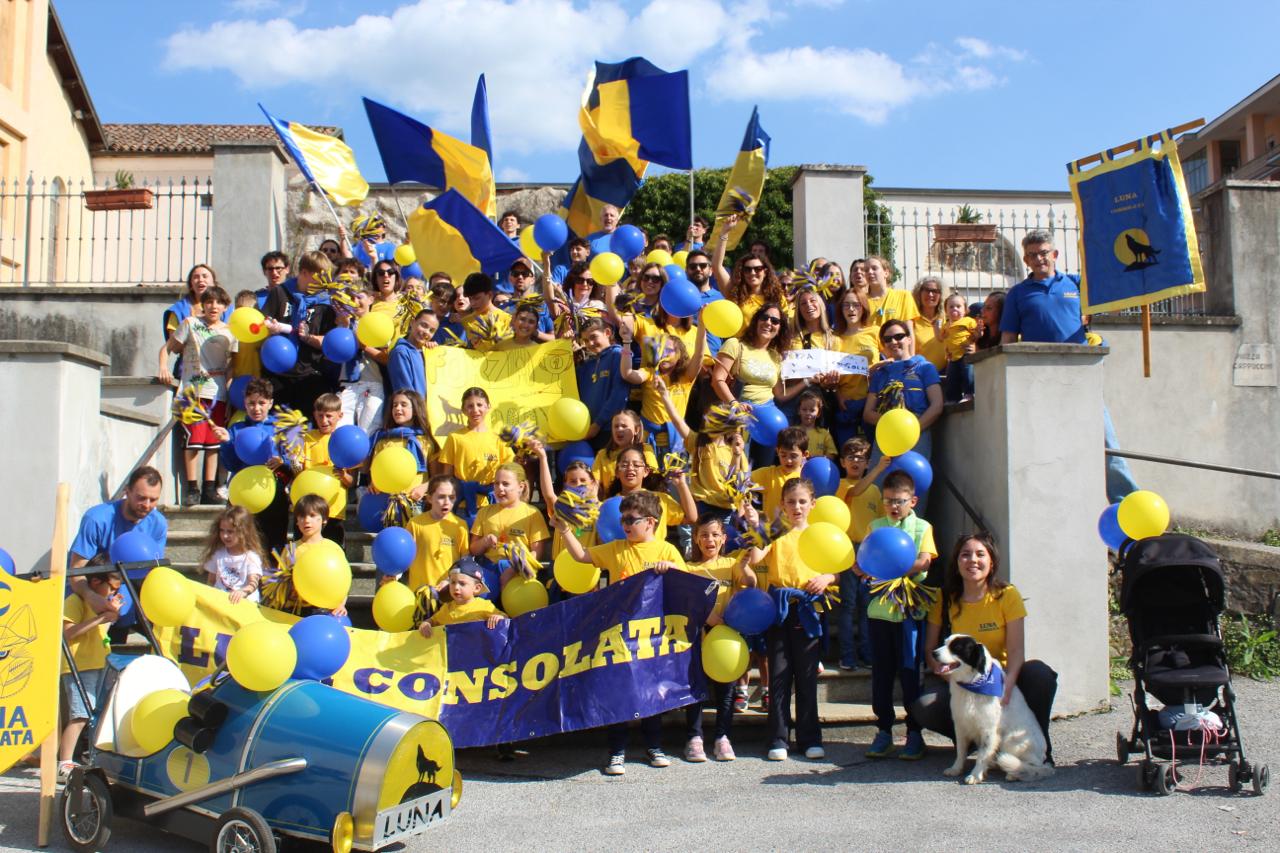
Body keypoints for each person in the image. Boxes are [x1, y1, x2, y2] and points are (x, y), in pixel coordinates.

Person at [553, 490, 686, 775]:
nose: (624, 524)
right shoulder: (616, 549)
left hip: (652, 635)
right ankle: (617, 752)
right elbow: (581, 555)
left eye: (630, 519)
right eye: (622, 519)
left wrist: (672, 567)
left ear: (650, 522)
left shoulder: (666, 550)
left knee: (652, 693)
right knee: (618, 692)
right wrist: (564, 530)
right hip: (620, 635)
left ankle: (654, 746)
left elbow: (686, 581)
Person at [1001, 230, 1139, 503]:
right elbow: (1007, 339)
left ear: (1055, 254)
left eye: (1043, 252)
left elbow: (1114, 302)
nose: (1039, 259)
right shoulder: (1017, 294)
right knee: (1045, 447)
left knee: (1106, 442)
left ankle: (1127, 502)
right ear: (1026, 260)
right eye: (1032, 255)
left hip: (1081, 377)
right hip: (1038, 380)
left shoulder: (1076, 284)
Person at [912, 531, 1058, 763]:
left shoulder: (1007, 595)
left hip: (1001, 679)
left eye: (980, 554)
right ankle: (976, 742)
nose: (973, 560)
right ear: (957, 561)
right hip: (961, 680)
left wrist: (1006, 688)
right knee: (925, 706)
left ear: (992, 562)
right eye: (965, 554)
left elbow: (1016, 651)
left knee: (1040, 674)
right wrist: (954, 680)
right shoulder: (944, 598)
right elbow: (931, 650)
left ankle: (1037, 748)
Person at [747, 478, 839, 761]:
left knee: (807, 676)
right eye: (790, 502)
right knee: (779, 674)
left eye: (802, 501)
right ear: (782, 505)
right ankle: (778, 738)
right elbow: (755, 558)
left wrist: (827, 578)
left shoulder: (820, 533)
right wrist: (758, 528)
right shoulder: (776, 532)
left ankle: (810, 737)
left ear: (812, 504)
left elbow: (836, 568)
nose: (796, 507)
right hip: (779, 608)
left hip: (808, 609)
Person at [856, 470, 936, 761]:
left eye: (899, 501)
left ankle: (914, 732)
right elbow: (861, 564)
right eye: (888, 500)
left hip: (910, 613)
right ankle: (884, 731)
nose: (893, 506)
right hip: (880, 613)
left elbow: (924, 561)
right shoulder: (875, 527)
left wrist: (891, 569)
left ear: (912, 501)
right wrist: (867, 569)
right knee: (882, 673)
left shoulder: (923, 527)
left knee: (911, 672)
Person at [682, 515, 755, 762]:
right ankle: (694, 738)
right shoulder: (688, 568)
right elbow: (683, 601)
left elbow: (750, 583)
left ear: (724, 538)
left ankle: (723, 737)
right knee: (696, 688)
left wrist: (745, 567)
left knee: (726, 689)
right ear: (696, 538)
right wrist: (707, 616)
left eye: (714, 534)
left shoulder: (731, 563)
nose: (709, 539)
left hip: (727, 637)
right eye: (703, 534)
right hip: (696, 636)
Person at [68, 467, 167, 643]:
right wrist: (91, 597)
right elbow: (76, 570)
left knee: (128, 607)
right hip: (95, 588)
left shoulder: (157, 523)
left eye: (153, 500)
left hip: (129, 587)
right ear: (127, 492)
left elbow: (155, 570)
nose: (147, 505)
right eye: (141, 498)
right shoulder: (97, 518)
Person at [159, 284, 235, 506]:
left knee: (213, 442)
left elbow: (232, 366)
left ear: (225, 307)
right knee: (194, 439)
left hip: (218, 392)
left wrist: (230, 394)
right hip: (192, 391)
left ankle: (209, 488)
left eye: (218, 303)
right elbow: (167, 348)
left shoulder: (230, 332)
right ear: (203, 304)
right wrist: (163, 367)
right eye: (209, 302)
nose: (213, 306)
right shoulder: (190, 323)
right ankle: (192, 487)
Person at [863, 318, 944, 510]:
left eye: (899, 336)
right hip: (886, 437)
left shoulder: (925, 367)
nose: (893, 342)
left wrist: (911, 430)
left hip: (917, 435)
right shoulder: (881, 374)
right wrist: (893, 425)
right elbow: (868, 413)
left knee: (913, 490)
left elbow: (937, 405)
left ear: (909, 339)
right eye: (887, 339)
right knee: (878, 490)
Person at [59, 562, 122, 780]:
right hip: (79, 665)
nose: (113, 593)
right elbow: (68, 633)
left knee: (94, 714)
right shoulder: (75, 601)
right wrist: (100, 618)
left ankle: (92, 756)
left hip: (98, 663)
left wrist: (109, 616)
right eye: (111, 588)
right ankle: (65, 761)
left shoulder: (100, 604)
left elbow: (100, 631)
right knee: (80, 714)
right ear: (96, 582)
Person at [215, 378, 291, 558]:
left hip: (273, 494)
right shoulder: (236, 429)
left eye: (261, 403)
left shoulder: (280, 428)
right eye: (251, 403)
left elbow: (294, 460)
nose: (256, 408)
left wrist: (282, 460)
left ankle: (272, 576)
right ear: (245, 403)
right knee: (240, 546)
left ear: (270, 403)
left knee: (273, 546)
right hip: (242, 495)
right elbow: (231, 464)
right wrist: (226, 443)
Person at [711, 303, 790, 469]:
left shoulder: (776, 357)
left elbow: (780, 394)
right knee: (733, 470)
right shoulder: (735, 344)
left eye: (775, 321)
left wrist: (808, 381)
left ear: (780, 329)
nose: (768, 323)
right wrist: (734, 403)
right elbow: (717, 379)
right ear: (756, 321)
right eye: (764, 317)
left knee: (760, 471)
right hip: (737, 416)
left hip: (768, 422)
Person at [260, 250, 337, 413]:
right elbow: (263, 323)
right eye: (319, 277)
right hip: (278, 373)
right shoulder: (280, 292)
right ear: (304, 273)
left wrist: (309, 337)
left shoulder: (325, 302)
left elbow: (329, 341)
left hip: (310, 375)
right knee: (279, 424)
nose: (324, 282)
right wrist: (271, 329)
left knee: (306, 425)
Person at [835, 438, 889, 670]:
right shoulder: (840, 484)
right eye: (851, 457)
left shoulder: (876, 490)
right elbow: (855, 492)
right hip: (847, 549)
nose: (856, 461)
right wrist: (878, 469)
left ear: (867, 463)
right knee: (848, 605)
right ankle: (847, 655)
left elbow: (881, 522)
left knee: (867, 606)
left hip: (869, 552)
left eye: (861, 458)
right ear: (842, 462)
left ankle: (867, 653)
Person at [470, 463, 550, 597]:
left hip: (519, 571)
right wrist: (485, 542)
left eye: (505, 484)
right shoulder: (484, 512)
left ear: (521, 487)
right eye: (496, 483)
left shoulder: (532, 513)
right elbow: (473, 550)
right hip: (489, 569)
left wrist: (514, 569)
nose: (500, 488)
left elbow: (537, 553)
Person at [261, 494, 348, 618]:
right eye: (302, 516)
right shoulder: (291, 549)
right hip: (295, 608)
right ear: (297, 521)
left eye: (312, 515)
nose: (306, 520)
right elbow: (280, 581)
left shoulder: (333, 549)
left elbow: (342, 580)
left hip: (323, 608)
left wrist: (340, 603)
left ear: (324, 519)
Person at [435, 387, 513, 523]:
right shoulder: (455, 438)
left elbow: (509, 471)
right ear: (463, 410)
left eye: (479, 405)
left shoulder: (499, 439)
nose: (475, 410)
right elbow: (447, 477)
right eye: (470, 406)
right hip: (462, 505)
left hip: (492, 504)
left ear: (488, 406)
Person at [398, 475, 470, 596]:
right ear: (429, 498)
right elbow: (404, 555)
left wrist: (450, 580)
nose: (446, 502)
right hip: (419, 593)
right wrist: (395, 574)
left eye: (451, 497)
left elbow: (464, 560)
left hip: (447, 593)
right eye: (441, 497)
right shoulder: (415, 523)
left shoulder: (460, 525)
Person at [300, 393, 353, 546]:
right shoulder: (306, 438)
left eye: (329, 416)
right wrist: (295, 465)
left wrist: (343, 475)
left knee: (334, 549)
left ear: (340, 415)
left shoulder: (345, 440)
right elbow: (299, 473)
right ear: (314, 415)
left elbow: (351, 481)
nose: (324, 421)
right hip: (308, 510)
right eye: (320, 416)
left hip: (333, 510)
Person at [334, 288, 388, 434]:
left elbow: (386, 359)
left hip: (373, 384)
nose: (355, 302)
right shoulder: (342, 323)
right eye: (351, 298)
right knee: (340, 430)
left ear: (371, 299)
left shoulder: (378, 324)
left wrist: (364, 346)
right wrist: (345, 327)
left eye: (359, 297)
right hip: (347, 384)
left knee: (368, 431)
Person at [369, 390, 433, 506]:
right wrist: (374, 484)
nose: (398, 408)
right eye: (395, 405)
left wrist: (424, 487)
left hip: (416, 503)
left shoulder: (425, 441)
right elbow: (377, 471)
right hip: (386, 503)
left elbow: (438, 476)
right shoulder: (383, 441)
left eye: (403, 405)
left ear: (415, 410)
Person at [832, 289, 879, 447]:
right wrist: (838, 396)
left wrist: (877, 368)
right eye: (846, 305)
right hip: (847, 404)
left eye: (856, 305)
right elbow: (831, 372)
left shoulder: (875, 332)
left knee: (874, 451)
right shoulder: (834, 338)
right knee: (849, 452)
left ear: (863, 307)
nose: (851, 309)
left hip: (872, 402)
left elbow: (890, 359)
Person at [574, 319, 631, 447]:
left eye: (593, 337)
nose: (590, 343)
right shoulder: (587, 364)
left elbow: (619, 394)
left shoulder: (619, 355)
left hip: (609, 430)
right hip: (587, 430)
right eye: (586, 340)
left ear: (607, 333)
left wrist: (598, 424)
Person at [419, 556, 508, 636]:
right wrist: (426, 624)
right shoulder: (447, 608)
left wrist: (499, 618)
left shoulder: (484, 606)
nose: (456, 587)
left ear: (476, 588)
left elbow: (505, 619)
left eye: (462, 583)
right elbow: (433, 620)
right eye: (453, 582)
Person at [202, 505, 265, 603]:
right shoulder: (218, 554)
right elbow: (211, 581)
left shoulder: (251, 558)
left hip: (244, 604)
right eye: (222, 530)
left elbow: (253, 583)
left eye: (230, 531)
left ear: (244, 532)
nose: (225, 535)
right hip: (221, 602)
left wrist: (242, 592)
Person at [590, 411, 659, 498]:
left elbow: (654, 478)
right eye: (616, 426)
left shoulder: (646, 449)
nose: (619, 429)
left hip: (641, 501)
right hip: (611, 502)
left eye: (624, 426)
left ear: (636, 430)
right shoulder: (602, 454)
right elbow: (594, 484)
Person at [752, 426, 808, 522]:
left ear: (805, 454)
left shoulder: (808, 476)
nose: (788, 460)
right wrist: (737, 455)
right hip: (772, 530)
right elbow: (741, 480)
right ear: (777, 451)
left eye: (793, 456)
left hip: (798, 530)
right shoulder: (769, 474)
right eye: (783, 455)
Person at [388, 308, 436, 398]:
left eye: (432, 330)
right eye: (424, 325)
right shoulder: (401, 352)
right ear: (412, 323)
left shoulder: (426, 353)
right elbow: (405, 392)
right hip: (414, 406)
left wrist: (436, 352)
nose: (426, 332)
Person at [460, 273, 513, 351]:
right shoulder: (465, 322)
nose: (473, 303)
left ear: (489, 295)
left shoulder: (507, 319)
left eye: (477, 298)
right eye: (470, 299)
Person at [941, 292, 978, 403]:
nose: (954, 309)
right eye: (951, 307)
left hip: (965, 353)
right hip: (952, 356)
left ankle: (969, 394)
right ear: (946, 311)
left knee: (968, 374)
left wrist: (978, 335)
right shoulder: (946, 325)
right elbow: (943, 338)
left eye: (958, 306)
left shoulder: (968, 321)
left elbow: (976, 334)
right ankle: (953, 398)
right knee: (951, 377)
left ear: (965, 310)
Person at [864, 255, 917, 331]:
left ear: (886, 273)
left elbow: (909, 330)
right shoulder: (861, 300)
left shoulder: (904, 296)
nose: (870, 272)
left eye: (874, 268)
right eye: (866, 270)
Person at [911, 277, 947, 371]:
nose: (930, 294)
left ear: (940, 295)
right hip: (920, 373)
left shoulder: (947, 319)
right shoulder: (912, 320)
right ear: (919, 293)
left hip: (947, 373)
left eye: (934, 291)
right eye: (926, 290)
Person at [796, 389, 837, 460]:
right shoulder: (793, 432)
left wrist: (815, 459)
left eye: (812, 410)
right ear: (799, 411)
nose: (808, 413)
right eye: (804, 409)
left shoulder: (824, 434)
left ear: (818, 413)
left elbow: (832, 455)